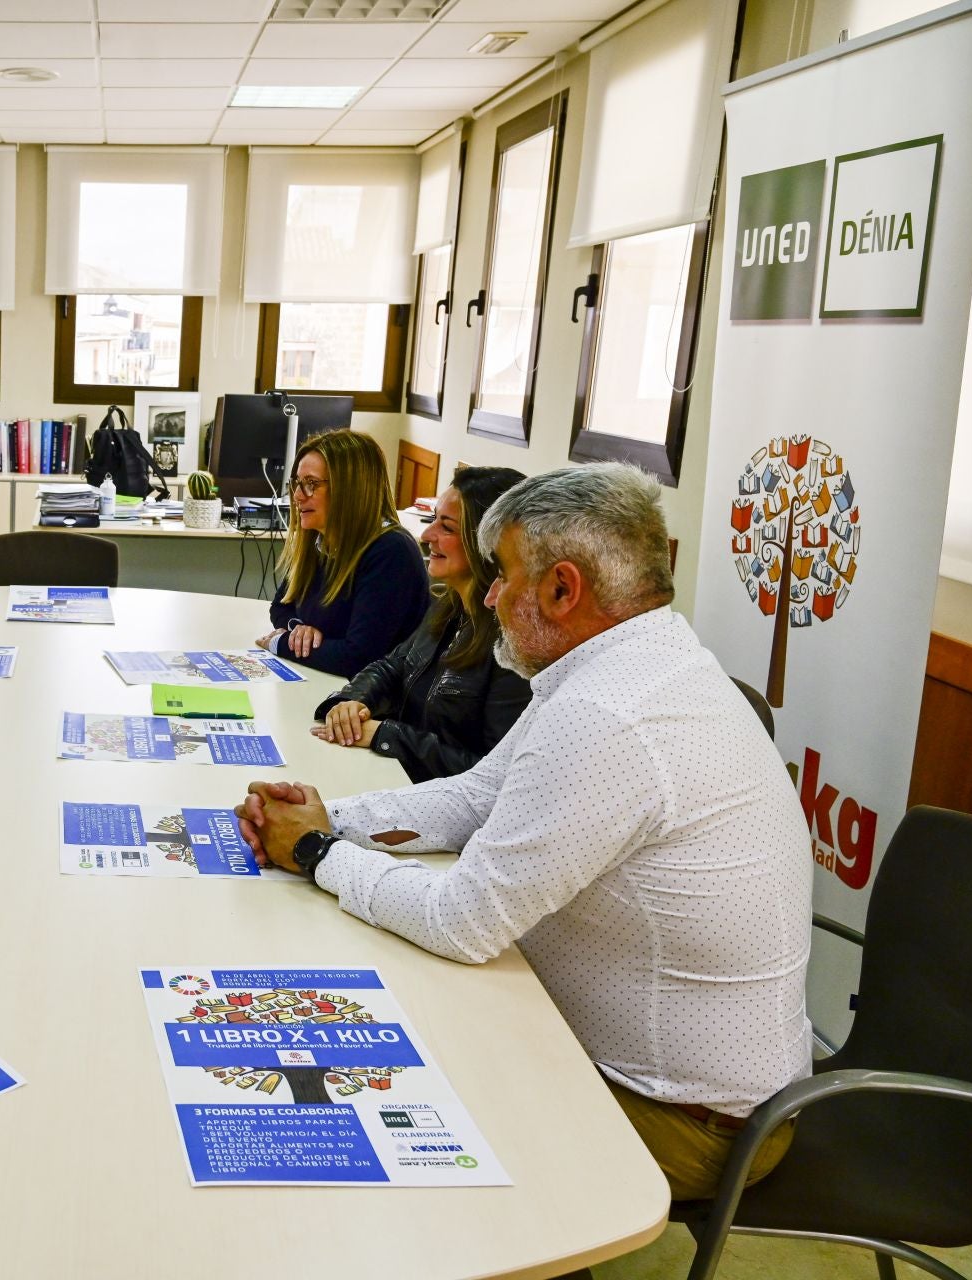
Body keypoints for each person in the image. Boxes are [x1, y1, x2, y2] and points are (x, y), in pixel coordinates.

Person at [235, 462, 812, 1202]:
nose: (491, 597)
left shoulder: (608, 714)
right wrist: (327, 815)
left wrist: (316, 852)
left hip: (685, 1122)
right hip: (631, 1067)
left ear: (563, 589)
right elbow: (479, 795)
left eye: (503, 575)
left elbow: (462, 921)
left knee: (356, 1096)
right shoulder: (629, 662)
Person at [313, 466, 531, 782]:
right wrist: (351, 701)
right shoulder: (449, 605)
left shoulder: (514, 647)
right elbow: (392, 667)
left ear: (488, 543)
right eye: (433, 521)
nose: (427, 536)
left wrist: (386, 735)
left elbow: (490, 774)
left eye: (447, 527)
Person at [256, 429, 430, 677]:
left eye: (311, 484)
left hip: (367, 695)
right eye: (297, 483)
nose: (297, 496)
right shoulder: (318, 540)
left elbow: (358, 658)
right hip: (324, 681)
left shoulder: (391, 551)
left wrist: (282, 643)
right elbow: (280, 607)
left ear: (350, 489)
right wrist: (299, 630)